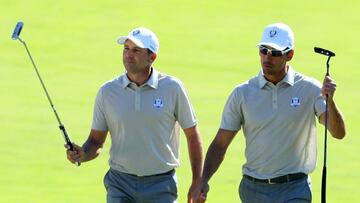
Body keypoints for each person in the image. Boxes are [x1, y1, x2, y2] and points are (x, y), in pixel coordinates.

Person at [198, 22, 346, 203]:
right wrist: (203, 180)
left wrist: (330, 101)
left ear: (290, 55)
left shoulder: (310, 89)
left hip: (294, 189)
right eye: (263, 50)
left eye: (275, 53)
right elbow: (220, 144)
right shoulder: (242, 93)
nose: (267, 58)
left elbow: (338, 133)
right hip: (253, 190)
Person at [65, 27, 203, 203]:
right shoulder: (108, 92)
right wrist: (82, 154)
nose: (128, 55)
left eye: (136, 50)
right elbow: (95, 141)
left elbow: (192, 135)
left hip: (161, 185)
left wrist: (197, 181)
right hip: (120, 183)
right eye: (126, 49)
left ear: (152, 57)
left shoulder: (172, 88)